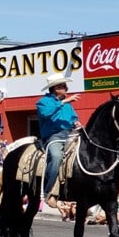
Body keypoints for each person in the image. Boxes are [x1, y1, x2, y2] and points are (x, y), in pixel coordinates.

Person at [36, 73, 81, 208]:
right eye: (63, 86)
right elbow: (45, 113)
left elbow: (72, 118)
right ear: (55, 88)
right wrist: (62, 102)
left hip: (70, 134)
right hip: (53, 136)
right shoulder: (44, 102)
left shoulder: (67, 105)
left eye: (65, 86)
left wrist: (76, 123)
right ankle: (48, 192)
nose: (66, 89)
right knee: (56, 157)